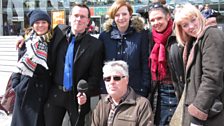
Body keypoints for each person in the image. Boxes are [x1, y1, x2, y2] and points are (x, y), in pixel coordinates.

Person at [43, 4, 104, 126]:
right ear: (70, 17)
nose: (78, 19)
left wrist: (85, 93)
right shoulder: (58, 31)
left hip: (77, 97)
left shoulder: (96, 45)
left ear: (88, 21)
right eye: (76, 15)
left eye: (82, 16)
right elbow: (39, 32)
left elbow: (95, 75)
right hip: (55, 93)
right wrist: (24, 38)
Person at [174, 3, 224, 126]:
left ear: (199, 16)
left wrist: (198, 113)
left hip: (208, 112)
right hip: (202, 109)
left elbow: (212, 78)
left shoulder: (211, 34)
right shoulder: (194, 40)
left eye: (193, 20)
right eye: (185, 25)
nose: (191, 26)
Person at [99, 0, 150, 97]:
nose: (121, 18)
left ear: (130, 14)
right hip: (111, 90)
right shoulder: (104, 36)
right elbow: (100, 64)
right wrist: (102, 89)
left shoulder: (141, 35)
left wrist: (145, 87)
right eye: (117, 15)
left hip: (136, 90)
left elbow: (145, 63)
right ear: (113, 16)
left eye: (124, 14)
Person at [10, 9, 52, 126]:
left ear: (49, 24)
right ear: (32, 25)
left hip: (43, 92)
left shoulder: (52, 42)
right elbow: (19, 65)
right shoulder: (26, 42)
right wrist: (16, 84)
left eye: (44, 22)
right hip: (25, 90)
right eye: (37, 22)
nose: (40, 25)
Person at [91, 60, 153, 126]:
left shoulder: (141, 105)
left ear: (126, 80)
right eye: (107, 79)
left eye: (116, 78)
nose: (111, 82)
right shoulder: (101, 104)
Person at [147, 2, 178, 125]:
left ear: (168, 17)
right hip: (159, 91)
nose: (156, 23)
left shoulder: (179, 34)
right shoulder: (150, 38)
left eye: (159, 18)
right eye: (152, 20)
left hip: (177, 90)